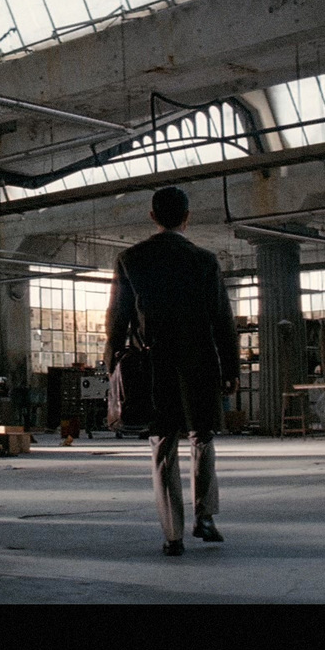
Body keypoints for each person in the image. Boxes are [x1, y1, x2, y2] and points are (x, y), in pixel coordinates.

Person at [105, 187, 239, 557]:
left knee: (163, 443)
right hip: (200, 362)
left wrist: (112, 362)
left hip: (154, 365)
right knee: (203, 438)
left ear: (152, 217)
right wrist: (231, 367)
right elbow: (222, 321)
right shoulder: (205, 261)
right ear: (187, 217)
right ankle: (206, 517)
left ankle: (172, 534)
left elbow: (117, 318)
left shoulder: (131, 259)